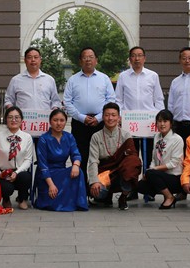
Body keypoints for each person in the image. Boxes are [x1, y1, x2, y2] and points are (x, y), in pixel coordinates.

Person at [115, 46, 165, 200]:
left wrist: (160, 119)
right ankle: (132, 188)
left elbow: (158, 99)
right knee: (131, 158)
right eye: (133, 56)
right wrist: (120, 117)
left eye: (140, 55)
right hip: (130, 123)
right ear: (130, 59)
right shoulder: (123, 77)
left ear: (144, 58)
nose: (137, 59)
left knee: (150, 156)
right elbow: (119, 100)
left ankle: (149, 189)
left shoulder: (153, 76)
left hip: (149, 123)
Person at [63, 47, 115, 175]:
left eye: (91, 57)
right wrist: (81, 117)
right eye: (85, 57)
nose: (88, 60)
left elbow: (111, 99)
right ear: (80, 61)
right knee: (80, 156)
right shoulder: (73, 80)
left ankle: (99, 186)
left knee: (102, 157)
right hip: (79, 124)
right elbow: (67, 102)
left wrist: (99, 117)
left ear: (96, 60)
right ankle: (82, 185)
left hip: (100, 123)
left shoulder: (104, 78)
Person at [87, 102, 142, 210]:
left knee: (133, 163)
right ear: (103, 117)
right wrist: (94, 181)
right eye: (107, 115)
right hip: (104, 172)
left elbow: (133, 157)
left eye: (113, 115)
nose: (110, 118)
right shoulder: (96, 136)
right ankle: (106, 196)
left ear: (119, 118)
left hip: (120, 172)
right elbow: (93, 160)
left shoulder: (126, 135)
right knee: (98, 192)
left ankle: (123, 196)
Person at [33, 109, 88, 212]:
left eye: (62, 120)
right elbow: (42, 164)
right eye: (55, 120)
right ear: (50, 121)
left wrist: (76, 165)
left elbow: (76, 154)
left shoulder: (69, 137)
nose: (58, 123)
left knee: (78, 171)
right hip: (46, 175)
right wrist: (51, 185)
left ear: (65, 122)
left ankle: (78, 203)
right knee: (52, 201)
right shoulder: (43, 139)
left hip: (61, 171)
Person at [136, 109, 184, 210]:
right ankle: (162, 189)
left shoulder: (177, 139)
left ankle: (169, 197)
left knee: (151, 173)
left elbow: (174, 163)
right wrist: (151, 170)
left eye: (165, 121)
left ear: (171, 123)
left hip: (174, 177)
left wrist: (153, 170)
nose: (162, 124)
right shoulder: (157, 136)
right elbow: (154, 159)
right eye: (159, 121)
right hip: (159, 175)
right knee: (140, 186)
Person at [0, 106, 34, 210]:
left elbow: (28, 159)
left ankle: (22, 198)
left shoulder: (27, 137)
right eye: (10, 117)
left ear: (21, 120)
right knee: (6, 188)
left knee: (26, 177)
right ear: (6, 119)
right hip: (3, 172)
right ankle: (6, 199)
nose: (13, 120)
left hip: (19, 171)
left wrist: (17, 172)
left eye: (17, 117)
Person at [4, 46, 61, 112]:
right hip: (23, 117)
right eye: (29, 57)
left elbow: (56, 101)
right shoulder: (16, 80)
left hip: (44, 117)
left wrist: (54, 110)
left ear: (40, 60)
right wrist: (12, 111)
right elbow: (8, 100)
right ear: (25, 60)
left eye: (36, 57)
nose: (33, 60)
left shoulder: (49, 80)